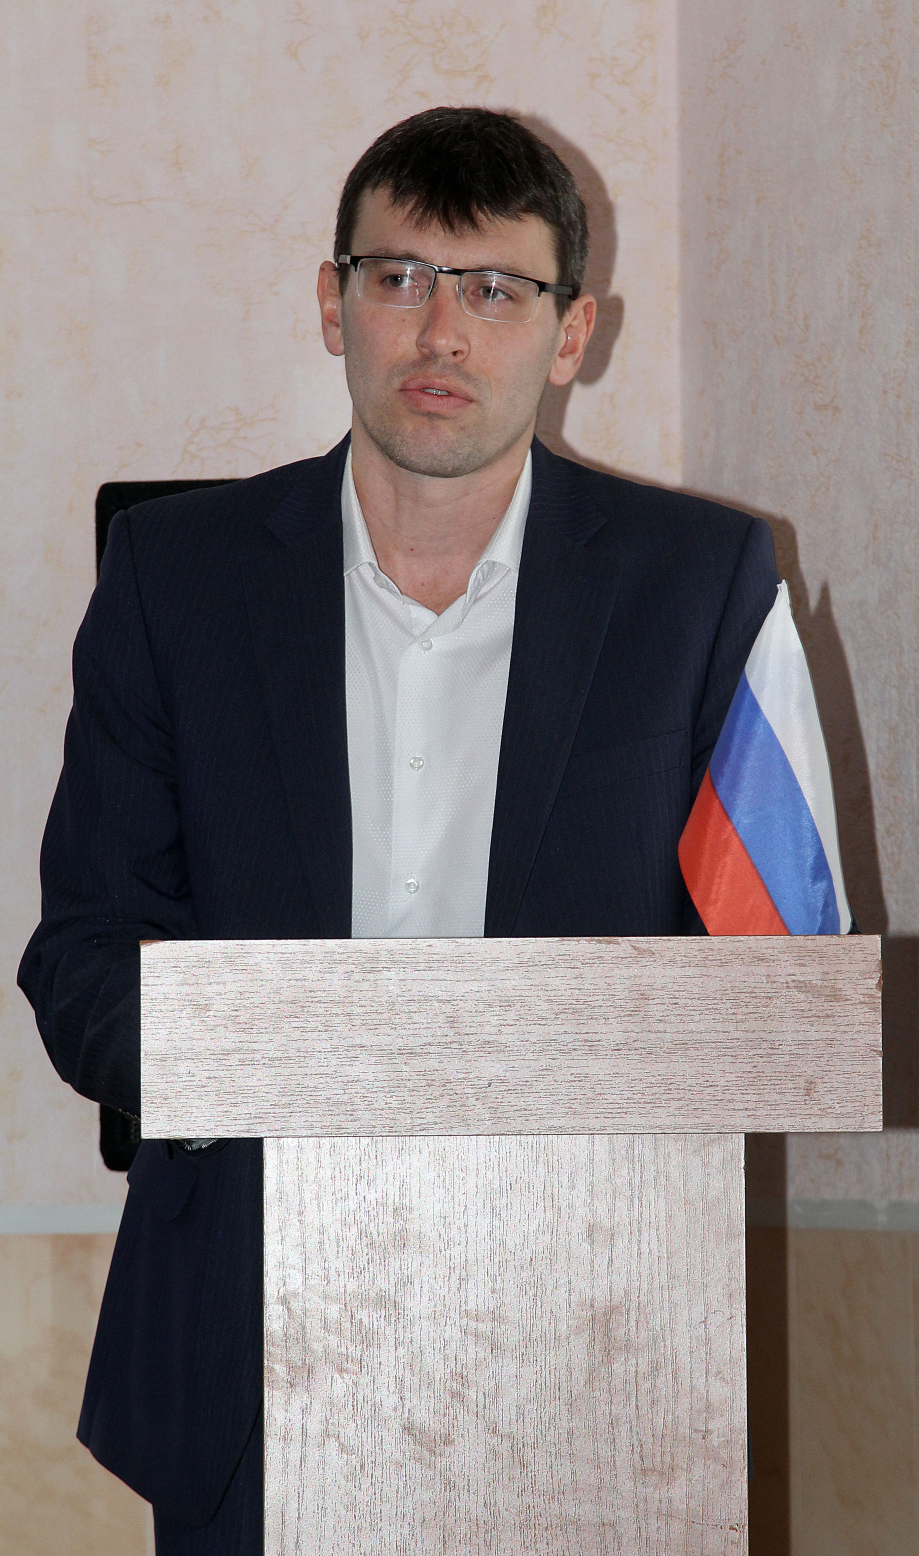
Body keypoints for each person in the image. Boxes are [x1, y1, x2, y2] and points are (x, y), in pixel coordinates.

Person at [18, 106, 778, 1553]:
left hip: (595, 1335)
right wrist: (299, 1065)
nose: (442, 330)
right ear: (333, 304)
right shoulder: (175, 579)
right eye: (399, 277)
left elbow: (755, 975)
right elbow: (86, 953)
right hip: (246, 1331)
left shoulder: (699, 584)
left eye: (496, 288)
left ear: (573, 333)